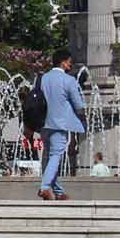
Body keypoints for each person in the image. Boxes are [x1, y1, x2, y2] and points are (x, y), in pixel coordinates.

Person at [37, 50, 85, 202]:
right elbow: (78, 105)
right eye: (69, 61)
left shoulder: (42, 78)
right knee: (56, 156)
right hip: (60, 124)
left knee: (50, 157)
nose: (70, 64)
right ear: (63, 62)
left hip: (44, 123)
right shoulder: (69, 80)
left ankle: (58, 191)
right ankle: (45, 188)